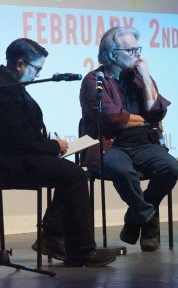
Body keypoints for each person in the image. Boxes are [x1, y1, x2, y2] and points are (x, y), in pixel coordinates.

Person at [0, 38, 117, 267]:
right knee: (74, 175)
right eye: (36, 69)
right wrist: (54, 147)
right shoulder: (5, 90)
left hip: (20, 156)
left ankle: (52, 236)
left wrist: (49, 145)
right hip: (10, 162)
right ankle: (80, 251)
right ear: (20, 64)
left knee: (70, 174)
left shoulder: (10, 85)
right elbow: (17, 140)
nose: (37, 74)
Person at [80, 27, 178, 252]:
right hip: (109, 144)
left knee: (171, 168)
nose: (138, 55)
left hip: (143, 143)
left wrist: (146, 78)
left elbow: (156, 113)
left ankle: (135, 215)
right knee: (124, 171)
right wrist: (143, 119)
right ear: (112, 54)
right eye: (131, 50)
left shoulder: (140, 77)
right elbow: (111, 119)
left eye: (138, 49)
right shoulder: (93, 80)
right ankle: (148, 219)